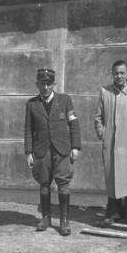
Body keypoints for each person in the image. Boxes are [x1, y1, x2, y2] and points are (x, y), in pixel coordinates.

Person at [24, 68, 81, 236]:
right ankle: (46, 218)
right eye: (43, 83)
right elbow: (28, 129)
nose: (46, 87)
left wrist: (75, 147)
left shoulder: (65, 100)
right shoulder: (31, 104)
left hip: (62, 150)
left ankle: (64, 221)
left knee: (63, 184)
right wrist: (28, 151)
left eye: (49, 84)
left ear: (54, 84)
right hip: (42, 151)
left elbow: (74, 124)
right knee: (44, 184)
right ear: (37, 84)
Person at [94, 60, 127, 227]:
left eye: (122, 72)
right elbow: (98, 117)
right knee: (113, 179)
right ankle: (114, 213)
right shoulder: (105, 91)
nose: (119, 76)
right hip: (111, 143)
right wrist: (103, 134)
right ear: (113, 74)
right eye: (116, 73)